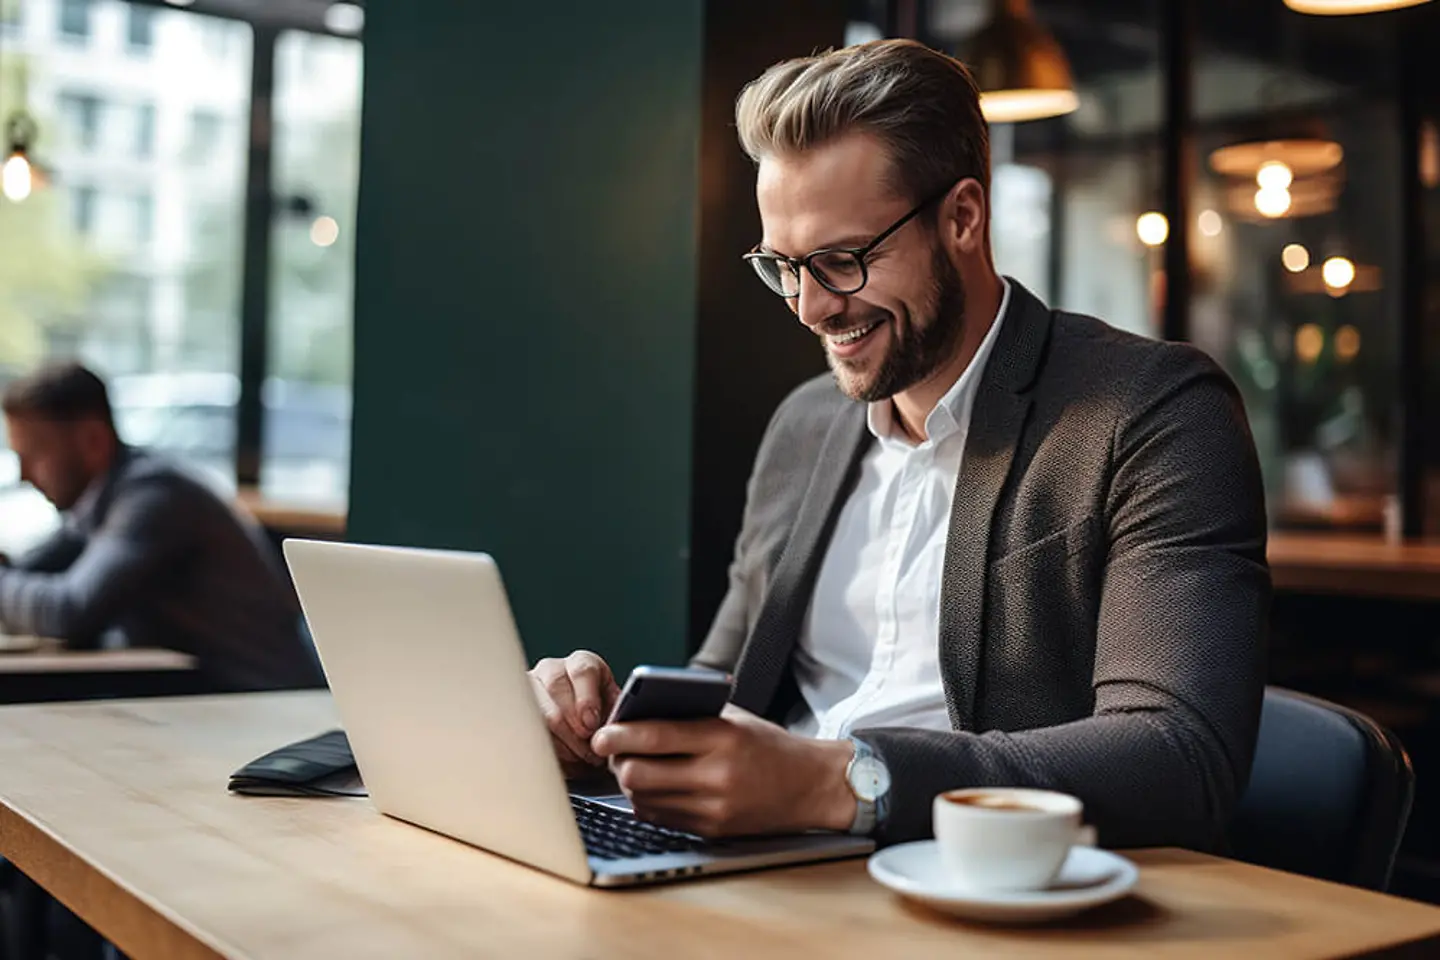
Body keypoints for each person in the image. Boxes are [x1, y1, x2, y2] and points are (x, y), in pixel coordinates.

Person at [529, 39, 1269, 849]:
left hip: (969, 880)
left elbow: (1178, 758)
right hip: (765, 867)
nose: (810, 307)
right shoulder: (805, 426)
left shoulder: (1154, 412)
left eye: (841, 260)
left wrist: (838, 782)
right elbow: (726, 686)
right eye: (784, 266)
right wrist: (607, 732)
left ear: (963, 218)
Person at [0, 362, 323, 691]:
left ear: (93, 441)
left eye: (35, 455)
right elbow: (30, 572)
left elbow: (68, 612)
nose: (24, 475)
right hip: (203, 699)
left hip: (263, 702)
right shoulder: (102, 503)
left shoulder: (156, 497)